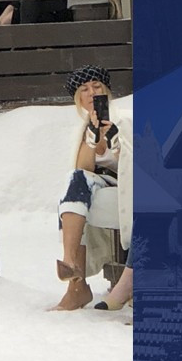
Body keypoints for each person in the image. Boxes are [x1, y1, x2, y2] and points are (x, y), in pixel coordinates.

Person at [54, 65, 125, 310]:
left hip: (125, 182)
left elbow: (132, 158)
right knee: (75, 183)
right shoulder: (82, 127)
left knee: (77, 188)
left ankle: (75, 277)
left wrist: (112, 134)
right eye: (84, 89)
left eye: (97, 87)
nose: (91, 93)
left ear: (106, 91)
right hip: (98, 183)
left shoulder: (123, 118)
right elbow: (84, 170)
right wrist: (92, 137)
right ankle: (74, 274)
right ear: (78, 98)